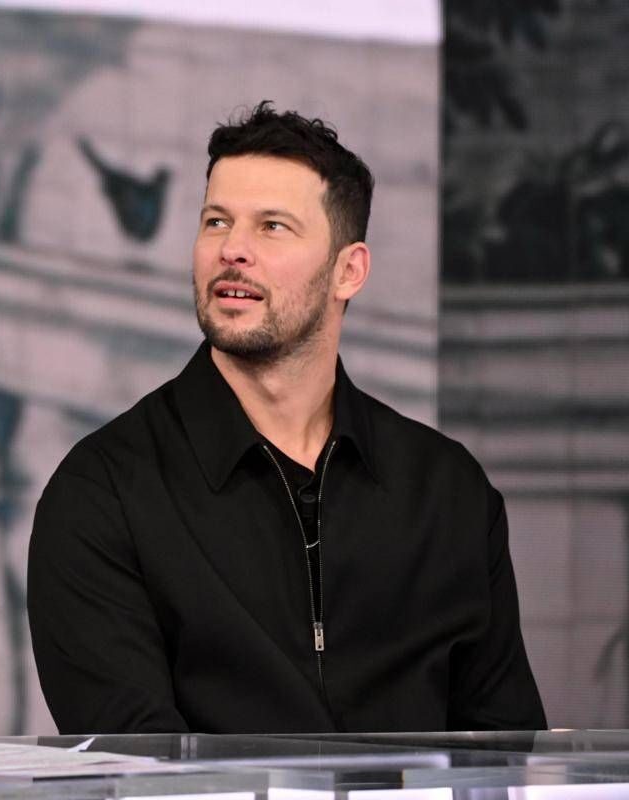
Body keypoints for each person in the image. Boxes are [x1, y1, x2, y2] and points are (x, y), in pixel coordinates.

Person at [27, 102, 546, 735]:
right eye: (216, 221)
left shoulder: (448, 491)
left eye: (272, 226)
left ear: (348, 271)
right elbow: (138, 765)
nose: (232, 250)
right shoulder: (101, 494)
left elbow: (506, 753)